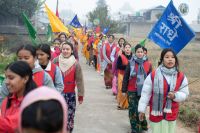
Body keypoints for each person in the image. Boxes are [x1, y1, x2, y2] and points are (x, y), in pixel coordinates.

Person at [138, 48, 189, 133]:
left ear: (175, 60)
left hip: (171, 113)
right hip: (156, 114)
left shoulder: (181, 77)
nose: (170, 59)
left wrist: (175, 96)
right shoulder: (153, 75)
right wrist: (142, 110)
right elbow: (145, 94)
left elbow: (185, 93)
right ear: (162, 59)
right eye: (167, 57)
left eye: (172, 57)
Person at [53, 41, 84, 133]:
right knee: (56, 116)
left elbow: (79, 80)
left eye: (67, 49)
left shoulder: (75, 63)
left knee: (69, 116)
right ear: (61, 50)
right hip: (56, 94)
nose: (65, 51)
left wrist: (80, 95)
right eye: (63, 49)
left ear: (71, 51)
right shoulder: (55, 61)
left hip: (70, 95)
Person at [122, 44, 152, 133]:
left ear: (144, 53)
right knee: (132, 109)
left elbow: (151, 79)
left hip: (144, 91)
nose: (139, 53)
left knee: (141, 109)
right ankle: (135, 128)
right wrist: (124, 90)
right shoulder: (130, 62)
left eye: (141, 52)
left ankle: (143, 124)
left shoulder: (148, 64)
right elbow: (126, 76)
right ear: (135, 52)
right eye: (138, 52)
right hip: (131, 90)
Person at [0, 61, 37, 132]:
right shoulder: (7, 101)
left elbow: (10, 124)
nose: (6, 82)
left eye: (11, 78)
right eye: (6, 78)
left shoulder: (33, 103)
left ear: (25, 79)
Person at [116, 42, 132, 110]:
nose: (127, 49)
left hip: (130, 76)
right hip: (122, 75)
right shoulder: (121, 56)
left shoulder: (133, 57)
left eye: (129, 47)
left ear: (131, 49)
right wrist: (127, 67)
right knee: (121, 89)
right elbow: (118, 66)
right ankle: (121, 104)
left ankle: (127, 104)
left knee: (128, 90)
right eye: (126, 47)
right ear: (124, 49)